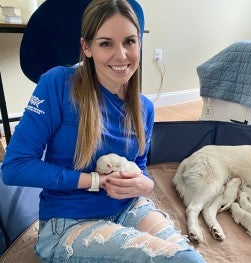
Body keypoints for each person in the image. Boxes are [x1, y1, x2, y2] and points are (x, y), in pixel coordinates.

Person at [1, 0, 205, 262]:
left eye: (130, 42)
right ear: (87, 47)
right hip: (69, 221)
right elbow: (15, 167)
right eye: (106, 43)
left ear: (140, 44)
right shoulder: (58, 84)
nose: (121, 55)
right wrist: (94, 181)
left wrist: (147, 183)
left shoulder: (144, 108)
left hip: (129, 207)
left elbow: (139, 166)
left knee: (190, 257)